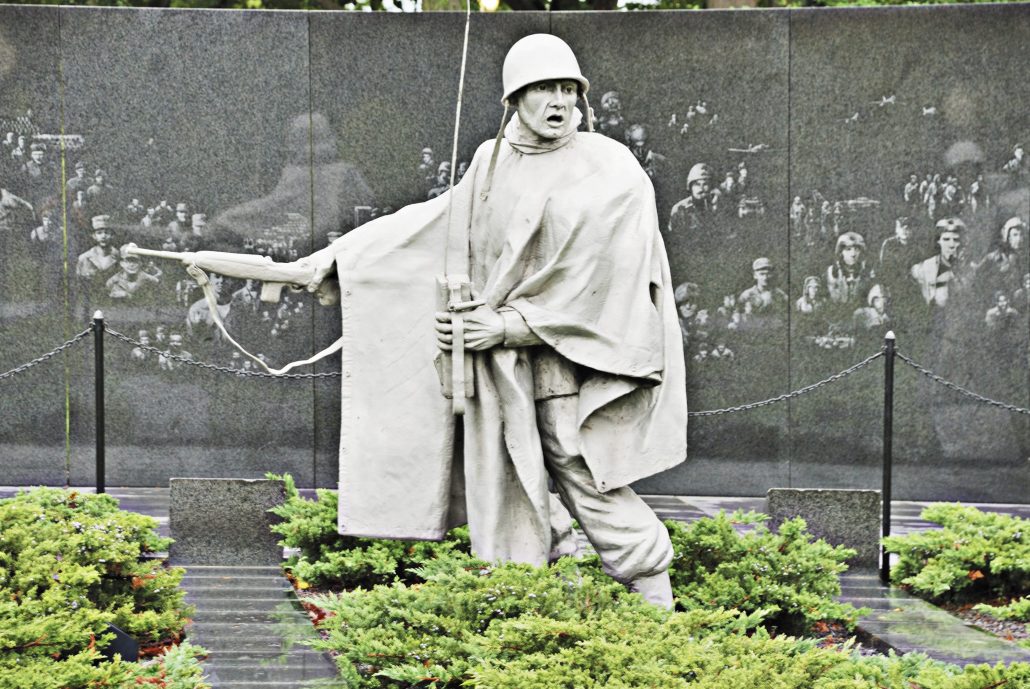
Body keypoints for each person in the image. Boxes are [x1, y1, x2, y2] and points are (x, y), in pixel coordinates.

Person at [157, 34, 686, 608]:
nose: (558, 101)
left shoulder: (609, 167)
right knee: (508, 471)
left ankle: (653, 593)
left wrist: (510, 326)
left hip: (571, 360)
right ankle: (536, 591)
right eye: (543, 88)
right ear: (515, 98)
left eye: (567, 88)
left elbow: (605, 271)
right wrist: (327, 262)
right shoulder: (492, 161)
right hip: (499, 369)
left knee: (576, 461)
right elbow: (430, 224)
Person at [911, 217, 965, 308]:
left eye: (956, 240)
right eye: (946, 239)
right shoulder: (924, 268)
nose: (951, 245)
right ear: (938, 241)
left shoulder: (970, 269)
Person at [826, 231, 873, 305]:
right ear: (841, 252)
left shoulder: (866, 271)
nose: (853, 254)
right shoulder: (833, 272)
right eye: (848, 249)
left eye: (857, 250)